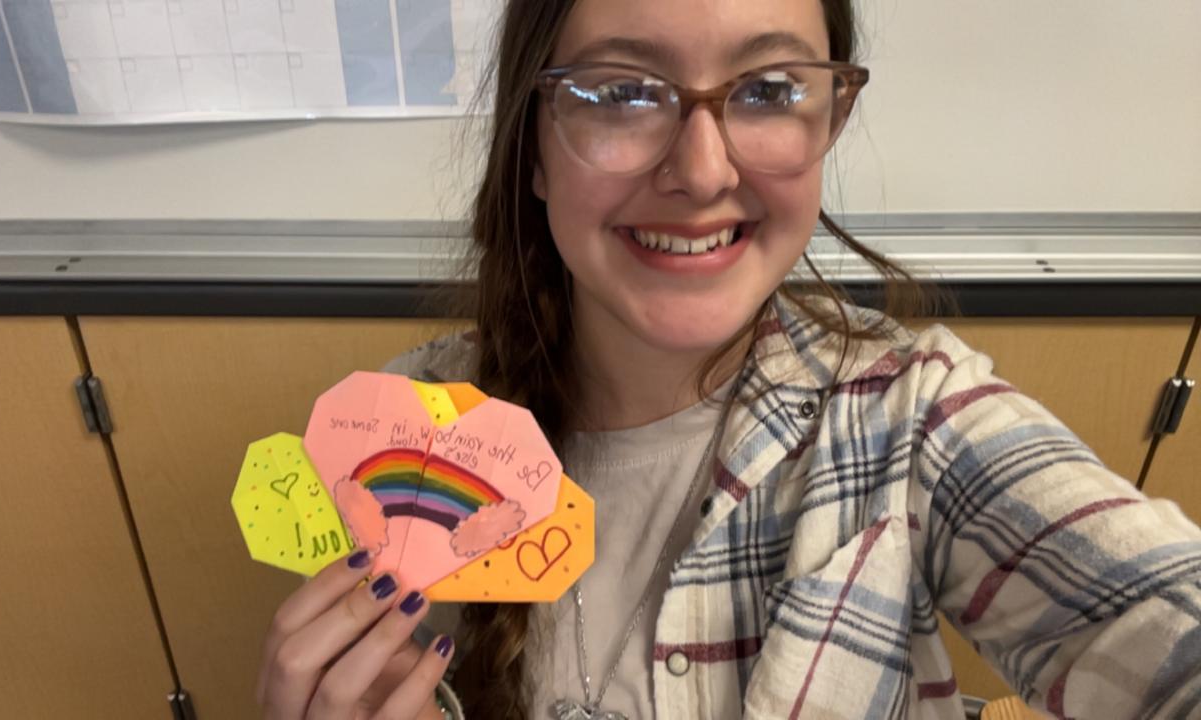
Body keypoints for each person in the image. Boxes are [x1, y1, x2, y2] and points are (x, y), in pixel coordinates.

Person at [254, 0, 1201, 718]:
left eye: (769, 90)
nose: (703, 172)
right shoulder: (406, 434)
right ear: (533, 148)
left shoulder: (911, 415)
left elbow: (1168, 631)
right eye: (621, 92)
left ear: (829, 120)